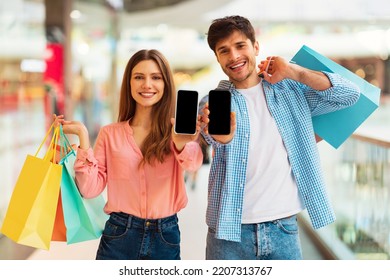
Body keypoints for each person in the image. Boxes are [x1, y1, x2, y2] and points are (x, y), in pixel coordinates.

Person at [200, 15, 361, 260]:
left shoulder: (290, 90)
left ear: (255, 46)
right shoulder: (213, 102)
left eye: (240, 46)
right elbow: (211, 136)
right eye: (224, 51)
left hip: (283, 229)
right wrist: (221, 138)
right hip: (228, 233)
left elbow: (350, 95)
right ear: (217, 58)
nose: (233, 56)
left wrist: (293, 71)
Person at [54, 49, 203, 260]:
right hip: (119, 235)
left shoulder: (176, 132)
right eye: (139, 77)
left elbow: (193, 163)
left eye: (156, 77)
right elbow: (89, 189)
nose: (147, 84)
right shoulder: (110, 133)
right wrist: (82, 137)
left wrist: (180, 144)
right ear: (129, 83)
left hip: (165, 236)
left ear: (166, 84)